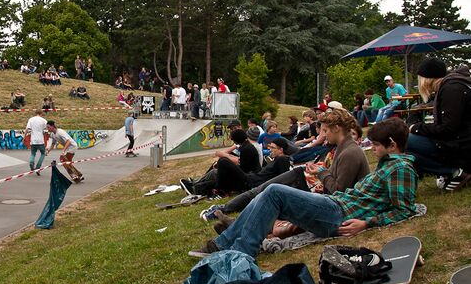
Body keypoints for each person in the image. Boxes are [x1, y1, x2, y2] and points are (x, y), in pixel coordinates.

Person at [192, 118, 415, 259]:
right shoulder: (387, 166)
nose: (372, 149)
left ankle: (240, 250)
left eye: (376, 145)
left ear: (392, 144)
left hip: (338, 213)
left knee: (273, 192)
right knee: (270, 193)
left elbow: (405, 210)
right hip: (336, 205)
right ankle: (227, 242)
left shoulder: (400, 169)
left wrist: (368, 223)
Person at [203, 108, 370, 226]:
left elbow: (338, 191)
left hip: (328, 201)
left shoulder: (349, 153)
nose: (324, 134)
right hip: (316, 189)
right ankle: (235, 218)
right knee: (265, 192)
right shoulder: (342, 149)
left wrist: (321, 173)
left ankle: (232, 217)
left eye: (326, 130)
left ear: (337, 128)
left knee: (269, 192)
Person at [406, 57, 471, 191]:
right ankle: (450, 173)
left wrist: (415, 128)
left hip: (462, 147)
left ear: (426, 78)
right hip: (461, 142)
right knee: (405, 148)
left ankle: (454, 172)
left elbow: (448, 129)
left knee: (403, 141)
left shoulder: (452, 89)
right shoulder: (454, 85)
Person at [25, 109, 48, 175]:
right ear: (41, 113)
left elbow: (27, 129)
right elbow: (46, 129)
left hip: (33, 140)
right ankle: (38, 167)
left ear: (35, 113)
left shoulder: (31, 119)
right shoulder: (43, 120)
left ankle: (31, 162)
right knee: (43, 154)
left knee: (33, 153)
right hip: (40, 140)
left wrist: (24, 137)